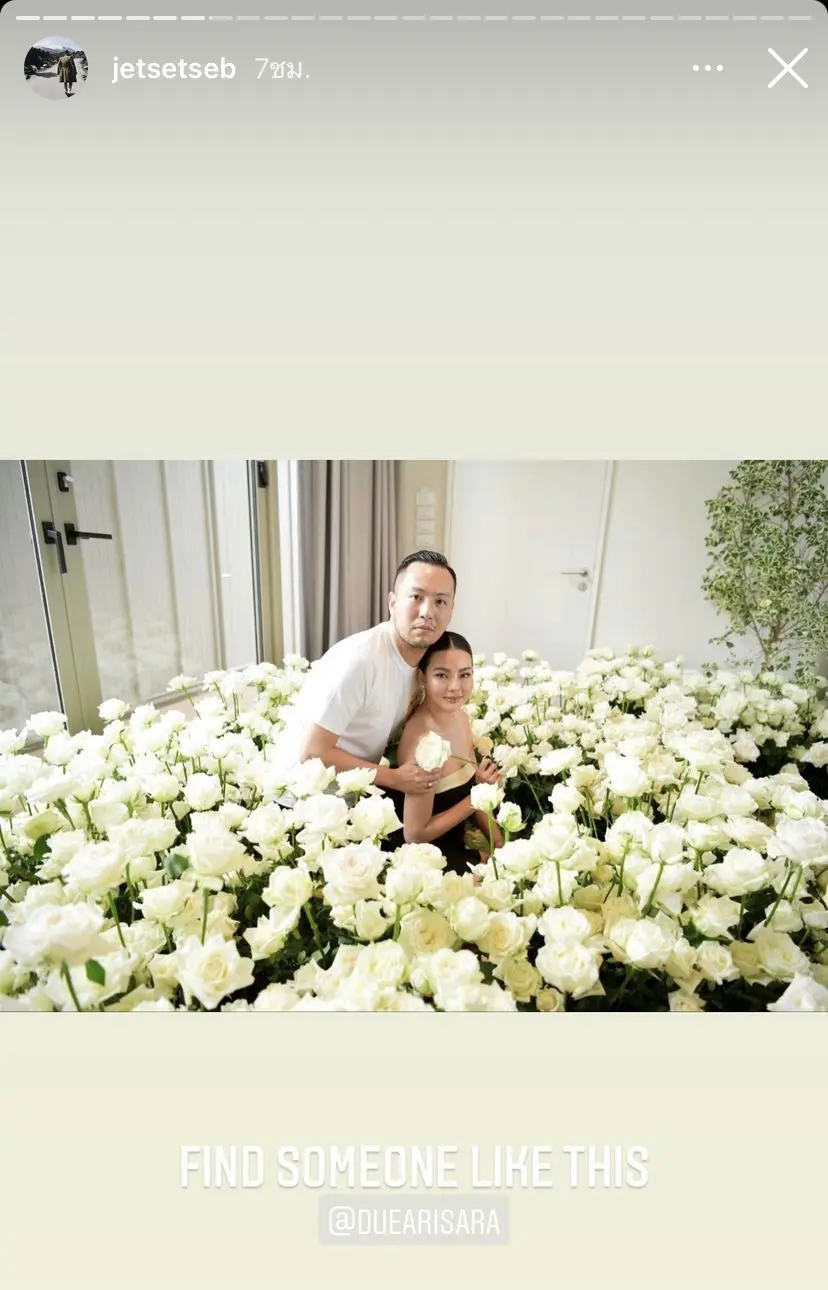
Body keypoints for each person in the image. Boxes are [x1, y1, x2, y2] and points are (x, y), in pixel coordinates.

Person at [282, 550, 457, 796]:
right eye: (416, 597)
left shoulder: (428, 662)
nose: (427, 612)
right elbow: (312, 752)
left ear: (451, 610)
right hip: (301, 797)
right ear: (393, 603)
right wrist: (394, 778)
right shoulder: (361, 659)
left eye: (440, 602)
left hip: (358, 791)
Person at [395, 631, 504, 873]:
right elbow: (414, 834)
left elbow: (475, 790)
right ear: (422, 677)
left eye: (464, 674)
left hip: (460, 840)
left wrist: (499, 843)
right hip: (431, 857)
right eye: (442, 675)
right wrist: (476, 796)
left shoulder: (460, 717)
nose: (455, 687)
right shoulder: (424, 745)